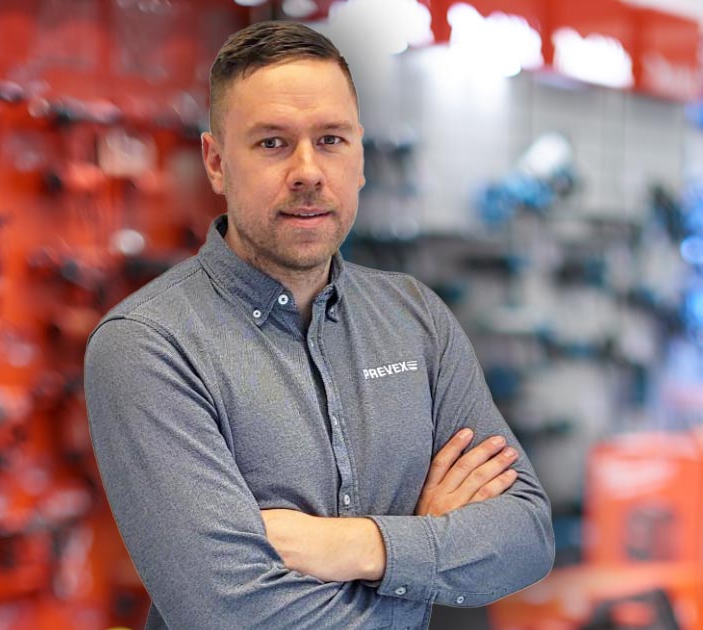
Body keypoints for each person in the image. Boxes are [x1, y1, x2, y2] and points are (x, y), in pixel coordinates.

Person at [84, 20, 554, 630]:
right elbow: (233, 614)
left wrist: (356, 546)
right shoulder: (148, 346)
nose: (308, 171)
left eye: (331, 139)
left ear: (360, 158)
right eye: (272, 143)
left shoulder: (416, 318)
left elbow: (525, 535)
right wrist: (426, 554)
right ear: (217, 163)